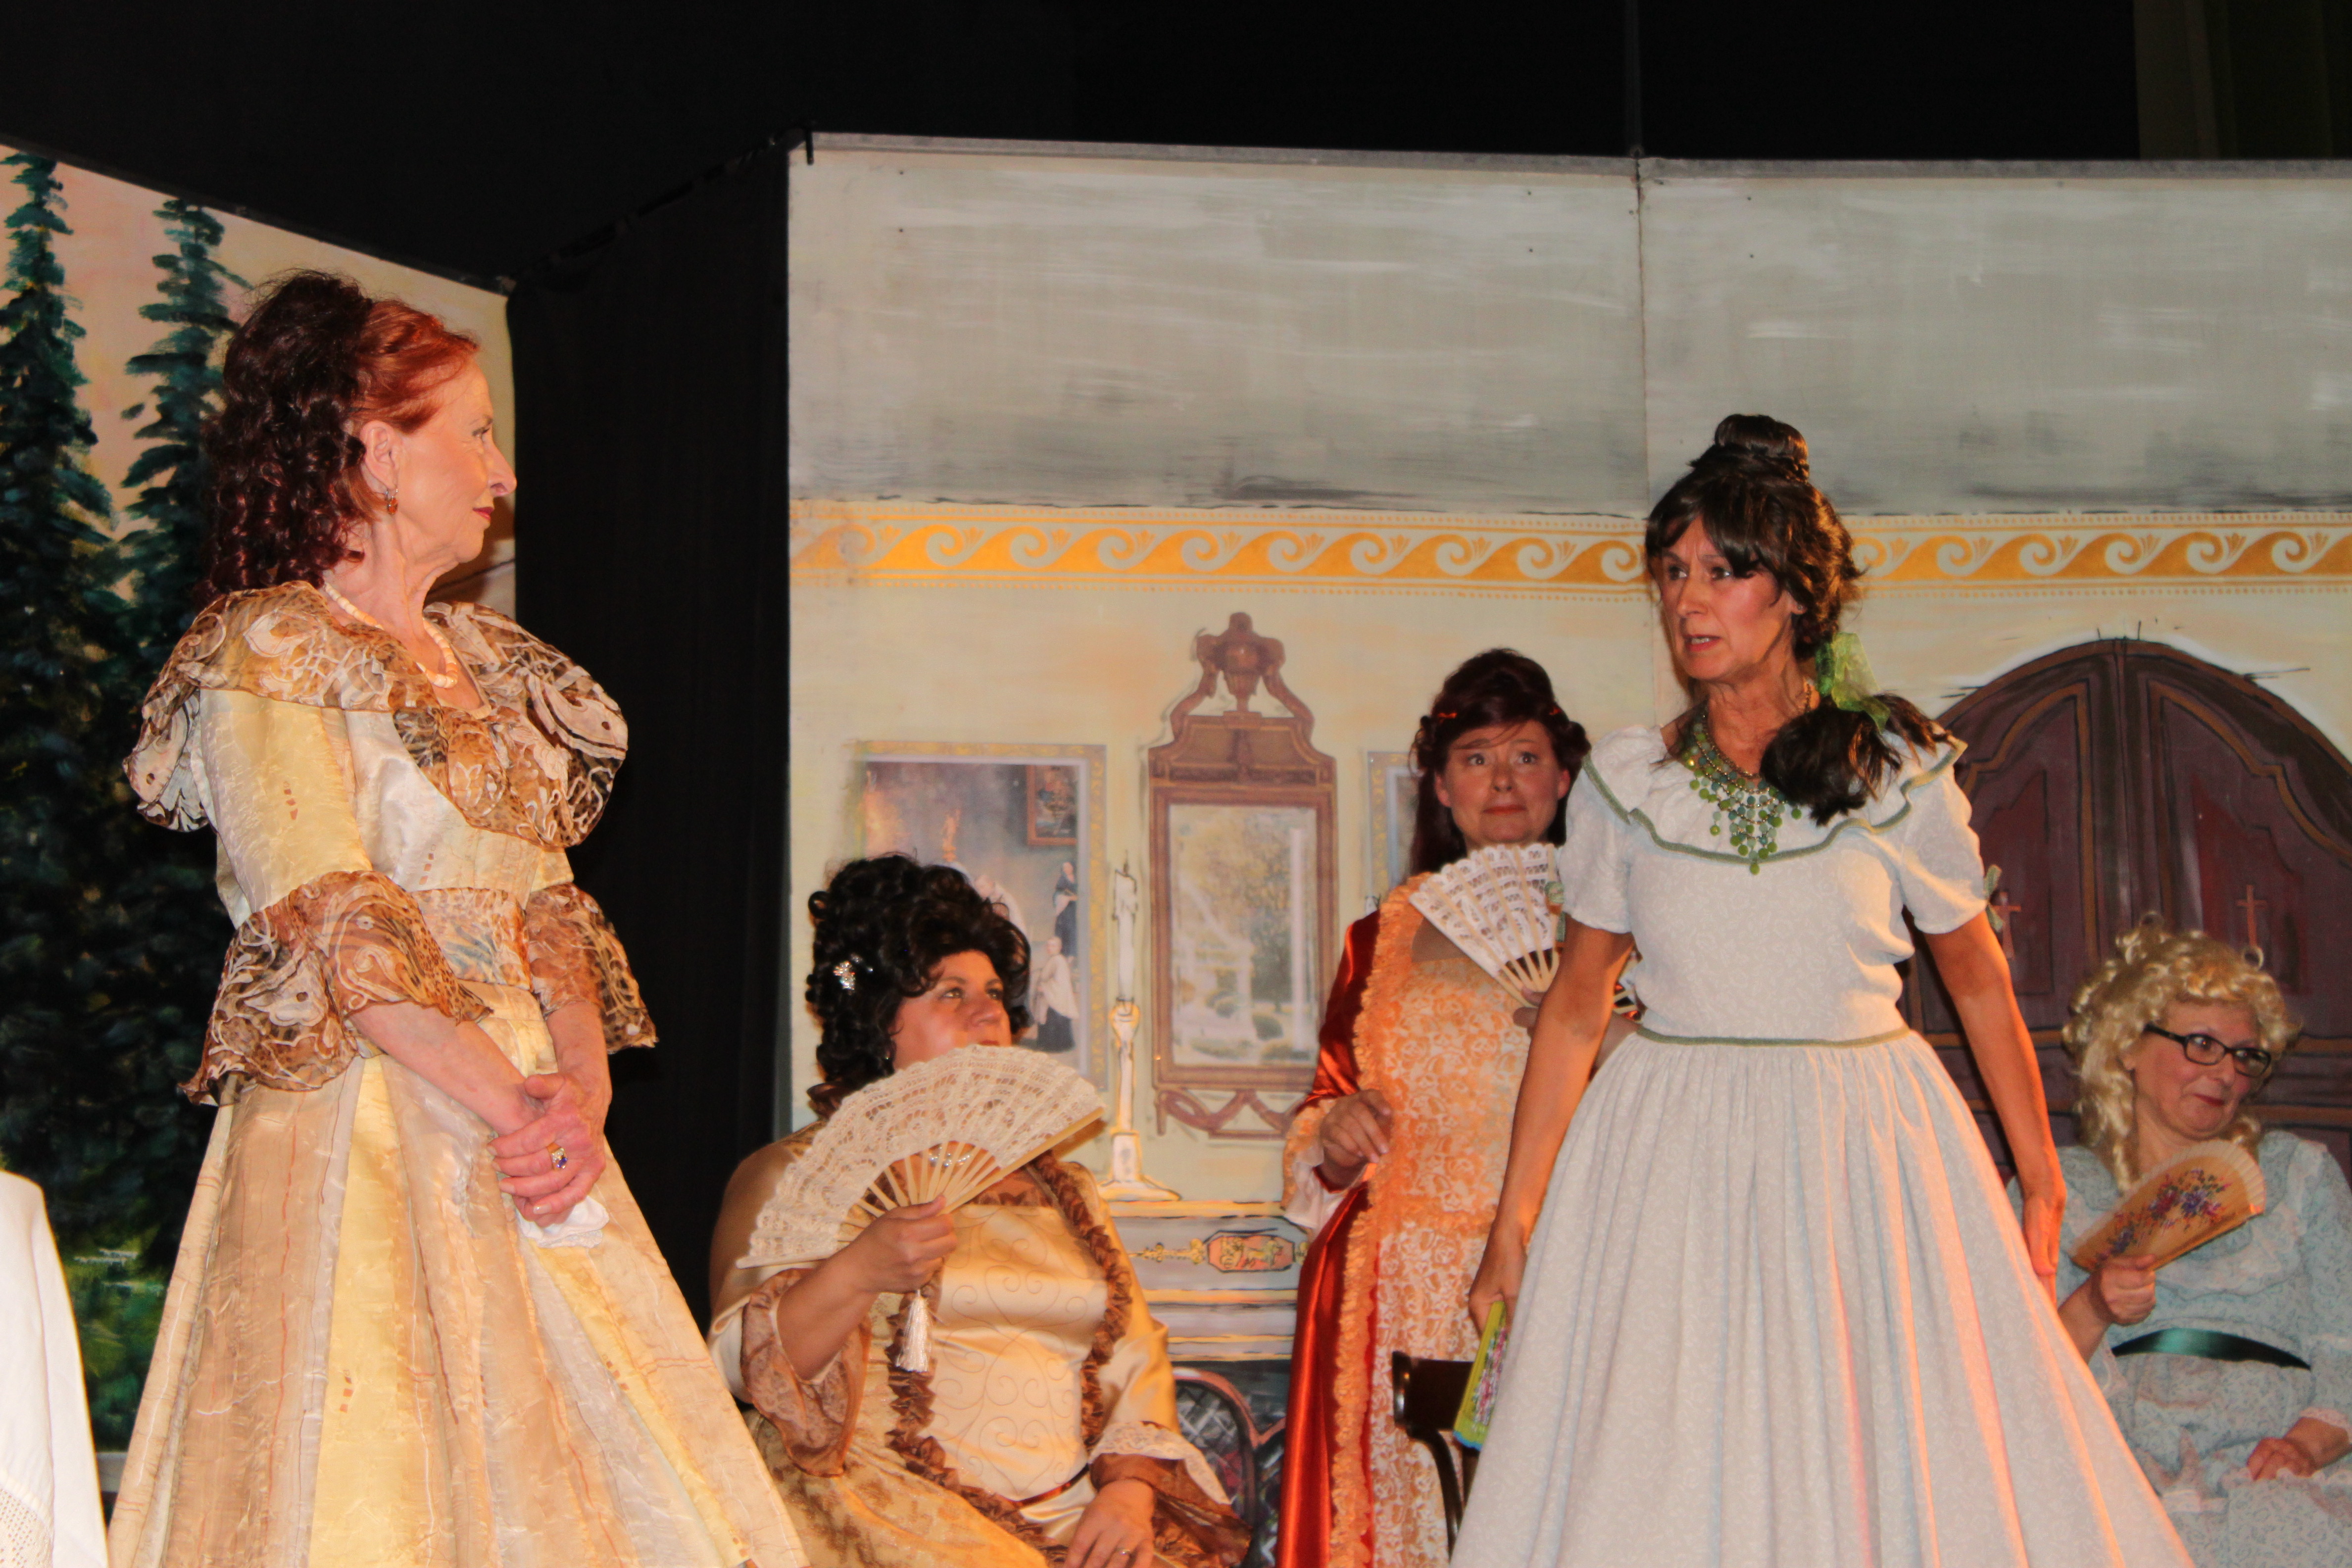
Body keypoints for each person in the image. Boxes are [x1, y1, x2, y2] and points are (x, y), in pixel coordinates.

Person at [109, 272, 802, 1568]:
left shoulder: (485, 665)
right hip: (371, 1121)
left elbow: (551, 906)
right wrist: (516, 1107)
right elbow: (328, 918)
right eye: (474, 434)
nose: (503, 473)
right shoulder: (269, 650)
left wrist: (582, 1089)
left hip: (528, 1129)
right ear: (377, 452)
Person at [1455, 416, 2191, 1567]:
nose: (1691, 602)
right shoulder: (1631, 786)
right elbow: (1577, 1006)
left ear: (1796, 593)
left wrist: (2042, 1183)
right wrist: (1514, 1223)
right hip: (1667, 1157)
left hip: (1862, 1149)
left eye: (1725, 572)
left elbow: (1979, 986)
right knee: (1665, 1456)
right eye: (1675, 573)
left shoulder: (1895, 775)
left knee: (1879, 1445)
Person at [707, 856, 1247, 1568]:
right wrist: (859, 1270)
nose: (989, 1013)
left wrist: (1128, 1492)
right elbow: (741, 1372)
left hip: (1077, 1521)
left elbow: (1134, 1360)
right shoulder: (794, 1173)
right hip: (893, 1510)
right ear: (880, 1022)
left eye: (994, 993)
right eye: (950, 993)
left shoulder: (1067, 1191)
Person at [1275, 650, 1596, 1568]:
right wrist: (1335, 1136)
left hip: (1561, 1266)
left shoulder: (1617, 927)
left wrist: (1592, 1031)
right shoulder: (1380, 938)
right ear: (1443, 788)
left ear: (1563, 779)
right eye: (1477, 760)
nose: (1503, 781)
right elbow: (1322, 1105)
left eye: (1526, 757)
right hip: (1399, 1283)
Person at [2041, 917, 2352, 1564]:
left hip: (2286, 1452)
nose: (2226, 1074)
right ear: (2128, 1045)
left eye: (2245, 1056)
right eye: (2202, 1044)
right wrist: (2094, 1305)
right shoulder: (2057, 1190)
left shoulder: (2299, 1174)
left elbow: (2345, 1341)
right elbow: (2019, 1375)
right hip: (2128, 1445)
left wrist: (2306, 1446)